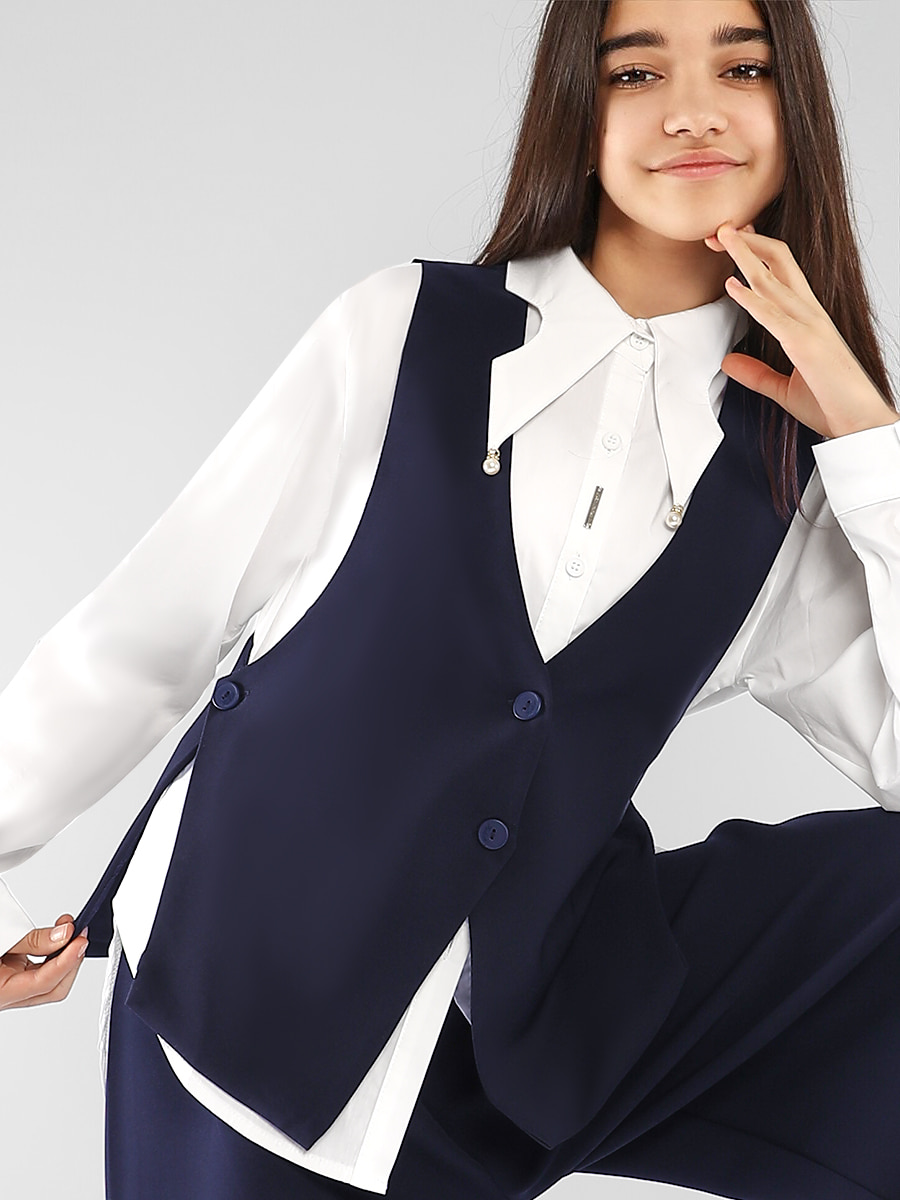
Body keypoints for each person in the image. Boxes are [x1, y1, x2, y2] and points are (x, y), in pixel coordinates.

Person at [2, 0, 898, 1197]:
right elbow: (147, 635)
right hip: (241, 999)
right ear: (577, 109)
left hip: (498, 1058)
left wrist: (873, 446)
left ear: (797, 113)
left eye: (743, 68)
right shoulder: (404, 332)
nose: (693, 111)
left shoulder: (787, 479)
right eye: (636, 74)